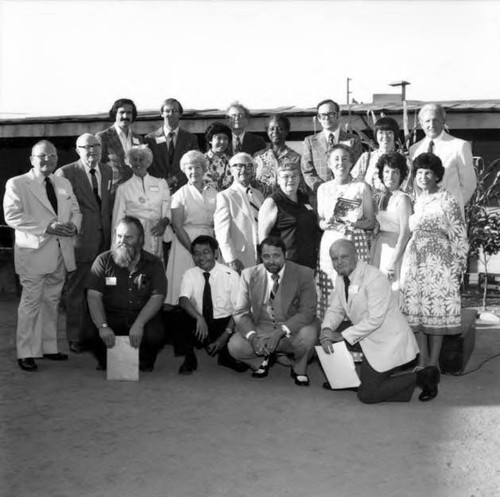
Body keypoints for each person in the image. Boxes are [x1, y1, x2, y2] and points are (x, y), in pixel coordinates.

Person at [320, 239, 440, 403]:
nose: (339, 262)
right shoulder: (342, 277)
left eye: (344, 257)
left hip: (388, 341)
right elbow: (335, 309)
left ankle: (423, 376)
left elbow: (375, 320)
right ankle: (345, 380)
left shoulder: (374, 278)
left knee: (367, 395)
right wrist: (326, 330)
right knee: (325, 333)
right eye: (334, 258)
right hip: (366, 335)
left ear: (356, 255)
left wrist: (340, 336)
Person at [3, 140, 82, 371]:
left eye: (52, 155)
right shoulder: (17, 183)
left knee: (52, 301)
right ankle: (25, 352)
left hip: (61, 251)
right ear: (32, 159)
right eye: (42, 155)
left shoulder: (63, 182)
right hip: (34, 253)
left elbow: (75, 210)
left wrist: (73, 227)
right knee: (30, 303)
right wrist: (48, 226)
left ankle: (49, 348)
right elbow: (12, 216)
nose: (48, 159)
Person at [401, 153, 469, 373]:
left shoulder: (447, 199)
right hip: (414, 261)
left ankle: (433, 363)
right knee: (417, 311)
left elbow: (459, 234)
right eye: (419, 172)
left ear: (437, 175)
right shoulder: (416, 200)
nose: (423, 176)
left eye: (428, 172)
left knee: (435, 313)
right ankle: (422, 361)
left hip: (439, 264)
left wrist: (458, 265)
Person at [228, 237, 319, 387]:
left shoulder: (304, 273)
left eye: (276, 255)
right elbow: (240, 312)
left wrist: (280, 332)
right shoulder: (248, 274)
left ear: (285, 255)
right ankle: (263, 360)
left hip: (292, 328)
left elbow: (308, 311)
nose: (271, 261)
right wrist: (252, 338)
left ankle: (298, 367)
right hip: (262, 328)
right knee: (235, 346)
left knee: (309, 334)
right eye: (266, 256)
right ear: (260, 257)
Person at [55, 133, 114, 353]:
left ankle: (95, 334)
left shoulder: (107, 170)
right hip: (81, 240)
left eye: (96, 146)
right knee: (76, 290)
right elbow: (64, 209)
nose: (92, 151)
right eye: (87, 147)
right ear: (77, 149)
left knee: (101, 289)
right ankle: (75, 336)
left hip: (105, 239)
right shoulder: (66, 173)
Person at [86, 216, 167, 372]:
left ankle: (144, 360)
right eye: (119, 236)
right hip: (111, 317)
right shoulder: (103, 261)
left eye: (129, 237)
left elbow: (158, 297)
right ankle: (105, 359)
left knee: (155, 334)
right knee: (90, 331)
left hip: (141, 317)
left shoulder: (154, 263)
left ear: (141, 239)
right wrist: (102, 326)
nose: (122, 241)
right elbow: (93, 296)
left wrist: (139, 323)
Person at [174, 235, 248, 374]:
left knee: (240, 321)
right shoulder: (190, 274)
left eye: (205, 252)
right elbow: (183, 299)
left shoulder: (231, 275)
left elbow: (237, 310)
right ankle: (189, 357)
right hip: (199, 323)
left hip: (223, 324)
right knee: (177, 313)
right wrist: (198, 318)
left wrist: (224, 336)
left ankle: (225, 357)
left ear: (216, 253)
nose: (201, 257)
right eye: (196, 254)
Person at [316, 144, 374, 319]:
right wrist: (324, 224)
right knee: (331, 287)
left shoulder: (361, 187)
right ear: (329, 163)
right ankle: (331, 333)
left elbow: (370, 222)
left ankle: (358, 333)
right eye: (336, 159)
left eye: (345, 159)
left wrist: (353, 222)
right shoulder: (323, 188)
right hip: (330, 242)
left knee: (356, 287)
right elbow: (320, 220)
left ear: (351, 163)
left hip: (354, 241)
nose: (340, 163)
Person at [165, 151, 217, 305]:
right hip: (185, 243)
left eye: (197, 167)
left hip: (209, 240)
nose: (194, 172)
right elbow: (177, 226)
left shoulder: (214, 193)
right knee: (184, 287)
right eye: (189, 168)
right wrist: (193, 250)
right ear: (184, 171)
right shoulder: (179, 195)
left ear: (204, 169)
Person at [409, 103, 476, 217]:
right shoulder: (414, 149)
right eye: (427, 121)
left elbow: (469, 185)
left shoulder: (459, 146)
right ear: (421, 124)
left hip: (450, 217)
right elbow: (416, 185)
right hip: (423, 216)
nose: (432, 124)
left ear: (443, 121)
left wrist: (452, 207)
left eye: (435, 120)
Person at [112, 145, 172, 262]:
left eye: (141, 159)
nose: (138, 163)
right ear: (129, 162)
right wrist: (115, 246)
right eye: (134, 159)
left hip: (157, 232)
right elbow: (118, 219)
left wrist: (164, 222)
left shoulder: (161, 183)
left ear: (148, 162)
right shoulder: (123, 188)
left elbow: (167, 207)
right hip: (134, 235)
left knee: (156, 266)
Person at [258, 161, 319, 270]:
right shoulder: (272, 202)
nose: (290, 180)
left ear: (299, 178)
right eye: (286, 176)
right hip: (285, 266)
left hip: (309, 266)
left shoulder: (304, 198)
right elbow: (263, 238)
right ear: (278, 180)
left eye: (294, 176)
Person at [301, 99, 362, 207]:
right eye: (323, 115)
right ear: (319, 118)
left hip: (347, 196)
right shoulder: (310, 141)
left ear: (338, 115)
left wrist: (343, 188)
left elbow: (357, 169)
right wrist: (323, 188)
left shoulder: (353, 140)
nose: (327, 118)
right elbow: (307, 171)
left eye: (331, 114)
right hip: (320, 197)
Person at [214, 152, 264, 273]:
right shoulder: (224, 196)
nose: (243, 170)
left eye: (248, 166)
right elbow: (221, 232)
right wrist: (231, 259)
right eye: (239, 166)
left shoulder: (259, 195)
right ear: (231, 170)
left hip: (260, 255)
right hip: (239, 257)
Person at [370, 152, 412, 295]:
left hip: (395, 250)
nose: (390, 176)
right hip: (379, 248)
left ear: (402, 175)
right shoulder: (381, 197)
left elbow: (405, 233)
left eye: (395, 172)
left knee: (392, 291)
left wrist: (393, 262)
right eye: (387, 171)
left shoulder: (403, 199)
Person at [144, 98, 199, 193]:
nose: (170, 114)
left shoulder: (191, 139)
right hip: (156, 190)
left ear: (180, 114)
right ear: (162, 114)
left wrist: (174, 179)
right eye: (167, 111)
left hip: (183, 190)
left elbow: (194, 164)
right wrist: (161, 182)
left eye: (175, 111)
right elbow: (147, 166)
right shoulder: (150, 139)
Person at [96, 98, 143, 192]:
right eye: (122, 112)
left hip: (136, 190)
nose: (125, 116)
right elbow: (98, 167)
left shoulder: (138, 138)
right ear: (115, 114)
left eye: (129, 112)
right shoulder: (103, 137)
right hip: (113, 192)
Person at [253, 114, 302, 198]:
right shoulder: (258, 157)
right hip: (262, 204)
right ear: (267, 132)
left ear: (286, 131)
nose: (275, 132)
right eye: (271, 129)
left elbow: (301, 186)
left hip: (286, 206)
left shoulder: (296, 158)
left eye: (280, 129)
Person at [351, 117, 402, 196]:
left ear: (395, 135)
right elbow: (354, 183)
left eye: (389, 132)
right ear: (376, 135)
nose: (385, 136)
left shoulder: (403, 159)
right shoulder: (366, 158)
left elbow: (408, 186)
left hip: (395, 203)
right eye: (381, 132)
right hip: (370, 204)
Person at [203, 122, 233, 191]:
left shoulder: (232, 162)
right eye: (218, 138)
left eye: (225, 138)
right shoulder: (200, 160)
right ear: (210, 140)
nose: (222, 142)